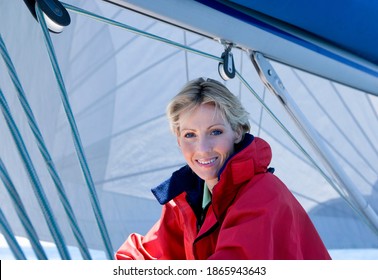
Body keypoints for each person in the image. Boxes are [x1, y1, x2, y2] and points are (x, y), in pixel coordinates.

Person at [115, 77, 331, 260]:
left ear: (237, 131)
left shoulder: (263, 193)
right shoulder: (187, 200)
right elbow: (141, 257)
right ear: (179, 141)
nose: (203, 148)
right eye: (190, 135)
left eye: (215, 132)